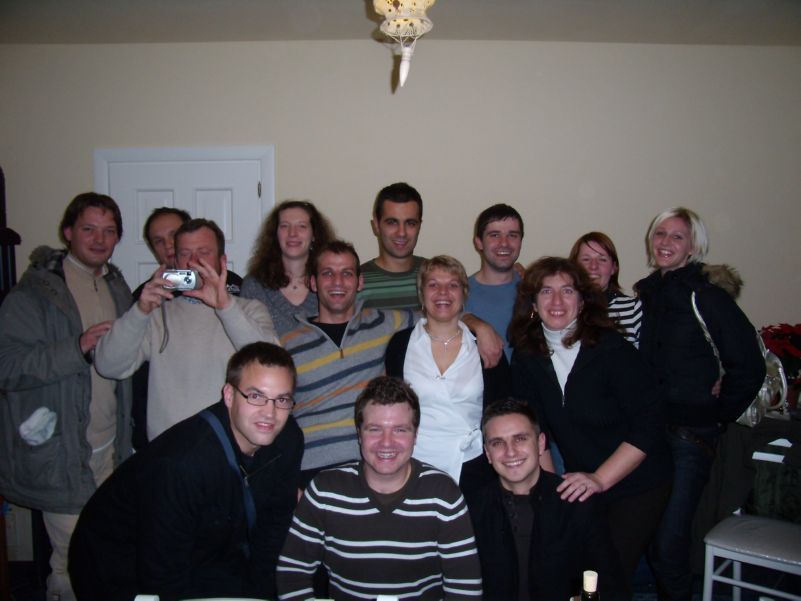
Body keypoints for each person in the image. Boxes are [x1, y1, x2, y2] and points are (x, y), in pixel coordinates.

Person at [68, 342, 304, 601]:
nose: (270, 413)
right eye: (255, 396)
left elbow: (274, 528)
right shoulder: (185, 462)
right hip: (116, 561)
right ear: (229, 395)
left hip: (206, 548)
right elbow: (162, 572)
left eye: (282, 399)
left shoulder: (288, 440)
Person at [509, 257, 672, 595]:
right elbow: (535, 430)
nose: (557, 301)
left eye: (567, 291)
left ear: (582, 301)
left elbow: (649, 424)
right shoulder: (527, 356)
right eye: (546, 291)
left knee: (607, 574)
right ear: (533, 304)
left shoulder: (611, 349)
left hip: (637, 480)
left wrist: (599, 479)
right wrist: (550, 491)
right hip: (582, 479)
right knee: (574, 569)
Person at [0, 192, 133, 601]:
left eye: (109, 231)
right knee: (71, 563)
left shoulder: (117, 286)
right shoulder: (35, 294)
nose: (99, 239)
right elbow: (7, 367)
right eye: (89, 229)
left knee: (104, 550)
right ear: (68, 232)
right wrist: (76, 347)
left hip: (111, 448)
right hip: (60, 452)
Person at [634, 207, 765, 601]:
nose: (666, 243)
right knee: (651, 535)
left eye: (677, 236)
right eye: (660, 234)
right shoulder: (648, 295)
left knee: (669, 544)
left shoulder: (705, 296)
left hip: (690, 439)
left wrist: (716, 414)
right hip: (650, 437)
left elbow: (749, 365)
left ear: (693, 246)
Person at [276, 376, 482, 601]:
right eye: (374, 429)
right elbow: (292, 574)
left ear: (415, 435)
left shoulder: (443, 495)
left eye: (400, 430)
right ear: (359, 434)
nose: (386, 442)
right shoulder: (325, 491)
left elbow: (465, 587)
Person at [95, 218, 279, 439]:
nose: (193, 261)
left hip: (232, 447)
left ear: (222, 261)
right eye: (184, 254)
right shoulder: (157, 314)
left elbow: (272, 365)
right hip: (170, 449)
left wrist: (225, 307)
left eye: (203, 252)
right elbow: (108, 366)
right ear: (175, 262)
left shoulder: (249, 310)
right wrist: (140, 312)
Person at [281, 240, 414, 485]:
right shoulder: (288, 344)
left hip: (372, 464)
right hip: (310, 471)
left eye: (347, 273)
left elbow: (441, 316)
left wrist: (475, 323)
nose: (338, 282)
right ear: (313, 282)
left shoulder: (387, 323)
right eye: (327, 273)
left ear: (360, 282)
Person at [467, 398, 624, 601]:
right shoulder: (472, 509)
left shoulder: (576, 503)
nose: (510, 451)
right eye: (498, 443)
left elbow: (610, 583)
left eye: (520, 439)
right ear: (488, 454)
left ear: (541, 444)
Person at [385, 255, 509, 493]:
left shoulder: (486, 347)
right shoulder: (400, 345)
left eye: (453, 285)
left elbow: (502, 409)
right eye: (433, 285)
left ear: (464, 294)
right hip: (413, 463)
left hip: (474, 465)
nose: (443, 292)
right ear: (422, 294)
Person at [131, 207, 244, 448]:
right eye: (158, 241)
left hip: (225, 432)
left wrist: (224, 302)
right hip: (163, 434)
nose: (168, 246)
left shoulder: (232, 287)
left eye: (173, 236)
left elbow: (260, 352)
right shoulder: (148, 296)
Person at [241, 199, 335, 337]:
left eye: (301, 226)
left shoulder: (331, 283)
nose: (292, 233)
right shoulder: (254, 286)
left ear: (314, 235)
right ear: (275, 234)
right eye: (285, 226)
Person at [463, 203, 524, 362]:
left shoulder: (536, 290)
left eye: (512, 235)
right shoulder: (460, 293)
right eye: (494, 235)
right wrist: (476, 324)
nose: (504, 243)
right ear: (479, 242)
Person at [358, 182, 426, 311]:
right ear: (376, 225)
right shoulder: (355, 283)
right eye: (392, 222)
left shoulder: (440, 278)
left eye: (410, 223)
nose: (402, 233)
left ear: (419, 226)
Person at [569, 231, 642, 347]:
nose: (593, 266)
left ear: (613, 268)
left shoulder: (633, 309)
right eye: (586, 259)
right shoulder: (565, 310)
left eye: (602, 259)